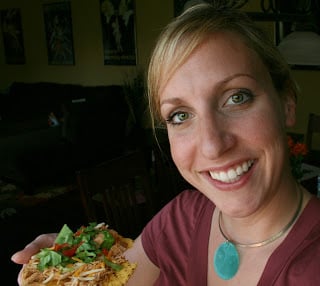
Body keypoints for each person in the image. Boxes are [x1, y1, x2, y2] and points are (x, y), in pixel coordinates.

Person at [11, 2, 320, 285]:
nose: (212, 146)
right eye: (180, 115)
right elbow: (113, 277)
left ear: (287, 103)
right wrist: (71, 263)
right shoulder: (181, 220)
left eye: (237, 97)